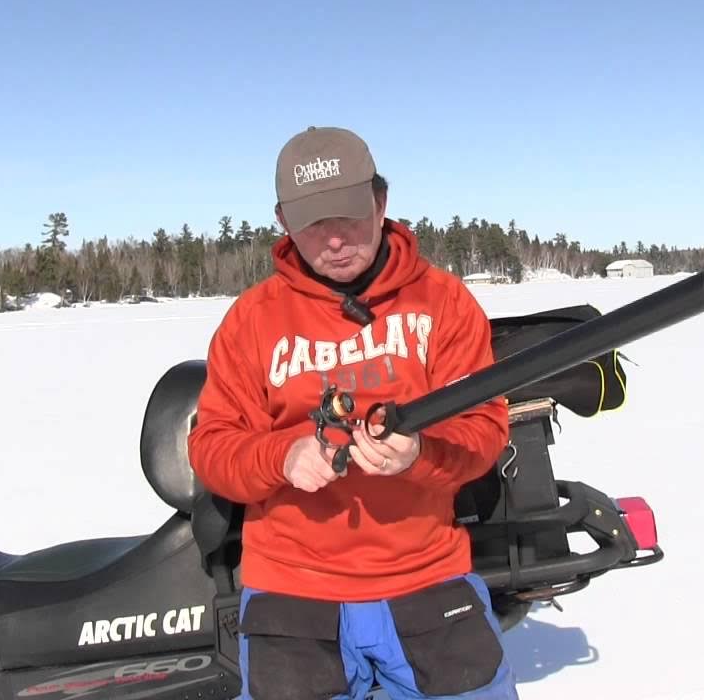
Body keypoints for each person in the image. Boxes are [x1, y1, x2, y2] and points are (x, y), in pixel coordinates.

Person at [187, 126, 519, 700]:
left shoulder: (443, 304)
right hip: (293, 591)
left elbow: (485, 427)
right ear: (283, 222)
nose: (335, 240)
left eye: (348, 216)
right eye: (314, 222)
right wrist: (282, 455)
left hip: (428, 576)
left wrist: (420, 454)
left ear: (382, 202)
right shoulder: (251, 321)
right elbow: (212, 446)